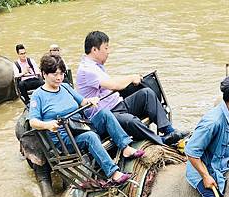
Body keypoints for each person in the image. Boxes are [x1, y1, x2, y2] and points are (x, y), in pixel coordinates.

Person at [29, 55, 144, 187]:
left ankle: (126, 147)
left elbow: (83, 102)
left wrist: (91, 100)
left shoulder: (65, 87)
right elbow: (33, 121)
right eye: (55, 74)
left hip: (81, 126)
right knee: (90, 137)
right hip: (66, 139)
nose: (59, 77)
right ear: (44, 74)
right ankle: (113, 174)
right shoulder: (38, 95)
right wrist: (47, 125)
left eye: (61, 73)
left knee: (105, 113)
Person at [76, 31, 187, 146]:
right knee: (131, 121)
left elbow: (112, 84)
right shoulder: (87, 69)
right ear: (95, 50)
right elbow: (114, 85)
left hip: (117, 104)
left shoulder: (95, 66)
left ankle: (169, 131)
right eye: (106, 48)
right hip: (106, 115)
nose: (108, 52)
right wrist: (131, 77)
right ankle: (161, 140)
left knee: (146, 94)